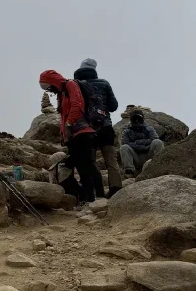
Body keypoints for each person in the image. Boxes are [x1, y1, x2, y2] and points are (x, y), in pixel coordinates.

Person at [39, 69, 104, 203]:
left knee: (87, 165)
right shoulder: (61, 93)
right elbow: (63, 115)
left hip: (83, 132)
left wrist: (69, 123)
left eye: (48, 86)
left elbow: (77, 104)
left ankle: (99, 196)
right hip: (74, 134)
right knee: (81, 167)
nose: (49, 89)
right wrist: (64, 134)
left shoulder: (70, 85)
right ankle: (89, 197)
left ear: (53, 81)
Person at [73, 57, 122, 197]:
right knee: (111, 160)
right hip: (105, 127)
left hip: (87, 129)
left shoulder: (76, 84)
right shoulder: (104, 83)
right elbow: (113, 106)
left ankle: (95, 191)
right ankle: (116, 189)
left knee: (90, 161)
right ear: (94, 69)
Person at [120, 110, 164, 178]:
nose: (137, 121)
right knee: (124, 147)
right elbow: (125, 143)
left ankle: (159, 166)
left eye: (139, 119)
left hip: (149, 155)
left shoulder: (149, 128)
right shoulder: (126, 131)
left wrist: (137, 143)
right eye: (135, 119)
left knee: (157, 142)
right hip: (136, 157)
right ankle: (130, 171)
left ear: (142, 119)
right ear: (131, 120)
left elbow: (154, 138)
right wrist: (142, 145)